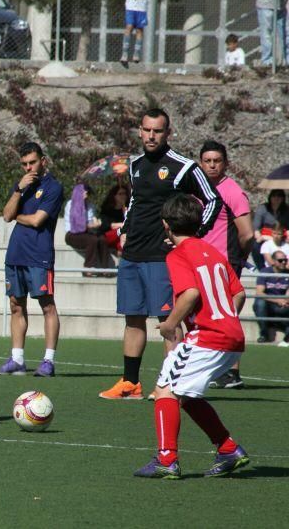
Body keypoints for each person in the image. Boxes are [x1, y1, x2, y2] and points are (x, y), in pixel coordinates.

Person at [99, 108, 221, 400]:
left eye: (158, 131)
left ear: (168, 133)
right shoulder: (135, 165)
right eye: (147, 130)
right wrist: (125, 231)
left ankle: (170, 385)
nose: (151, 135)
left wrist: (191, 237)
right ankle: (130, 384)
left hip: (163, 256)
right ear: (139, 131)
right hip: (132, 254)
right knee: (133, 318)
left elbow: (213, 200)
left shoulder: (183, 166)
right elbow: (136, 203)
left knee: (168, 321)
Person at [133, 193, 249, 479]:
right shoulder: (213, 252)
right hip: (232, 337)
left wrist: (169, 325)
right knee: (186, 393)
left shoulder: (178, 255)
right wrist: (223, 317)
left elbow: (191, 294)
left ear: (165, 225)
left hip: (209, 337)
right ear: (199, 224)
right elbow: (239, 293)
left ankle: (166, 460)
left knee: (165, 389)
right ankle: (227, 448)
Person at [0, 142, 64, 377]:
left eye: (32, 162)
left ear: (43, 161)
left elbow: (36, 221)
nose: (28, 167)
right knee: (16, 306)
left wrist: (16, 216)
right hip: (15, 255)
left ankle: (48, 361)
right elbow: (5, 215)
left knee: (47, 305)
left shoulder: (53, 188)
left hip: (39, 256)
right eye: (24, 164)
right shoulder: (22, 186)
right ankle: (17, 359)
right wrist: (17, 190)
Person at [199, 141, 254, 390]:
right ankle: (216, 369)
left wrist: (238, 259)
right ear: (200, 162)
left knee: (226, 315)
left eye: (217, 160)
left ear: (225, 163)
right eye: (207, 160)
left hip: (225, 263)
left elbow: (247, 234)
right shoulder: (197, 189)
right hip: (202, 262)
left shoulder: (232, 191)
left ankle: (231, 372)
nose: (212, 165)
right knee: (209, 317)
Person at [63, 183, 113, 275]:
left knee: (102, 239)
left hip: (86, 232)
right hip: (72, 234)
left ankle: (105, 269)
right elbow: (77, 224)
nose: (86, 193)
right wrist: (91, 225)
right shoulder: (70, 204)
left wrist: (96, 223)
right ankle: (88, 268)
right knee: (92, 240)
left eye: (87, 191)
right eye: (84, 190)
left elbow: (91, 220)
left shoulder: (90, 206)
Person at [252, 252, 289, 345]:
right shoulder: (265, 272)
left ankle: (284, 333)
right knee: (260, 303)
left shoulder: (287, 273)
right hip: (268, 303)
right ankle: (264, 334)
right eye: (281, 260)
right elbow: (259, 293)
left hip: (281, 305)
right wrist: (278, 300)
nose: (284, 262)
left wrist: (285, 301)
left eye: (285, 260)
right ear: (273, 261)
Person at [252, 189, 289, 268]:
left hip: (282, 236)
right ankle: (262, 269)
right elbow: (256, 230)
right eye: (274, 195)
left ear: (283, 198)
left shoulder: (287, 210)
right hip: (265, 237)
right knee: (255, 246)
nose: (276, 198)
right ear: (270, 197)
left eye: (279, 196)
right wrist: (269, 238)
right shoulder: (262, 208)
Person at [98, 184, 129, 256]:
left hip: (121, 238)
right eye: (120, 194)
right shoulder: (107, 209)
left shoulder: (128, 209)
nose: (123, 196)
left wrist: (126, 214)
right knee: (124, 230)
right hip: (107, 235)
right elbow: (106, 225)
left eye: (125, 194)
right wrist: (121, 224)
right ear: (114, 196)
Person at [256, 0, 287, 66]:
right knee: (266, 34)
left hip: (282, 6)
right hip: (266, 5)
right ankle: (267, 62)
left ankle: (286, 60)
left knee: (285, 34)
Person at [121, 0, 148, 66]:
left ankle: (136, 54)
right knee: (129, 27)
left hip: (141, 8)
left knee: (139, 30)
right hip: (131, 7)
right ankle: (124, 54)